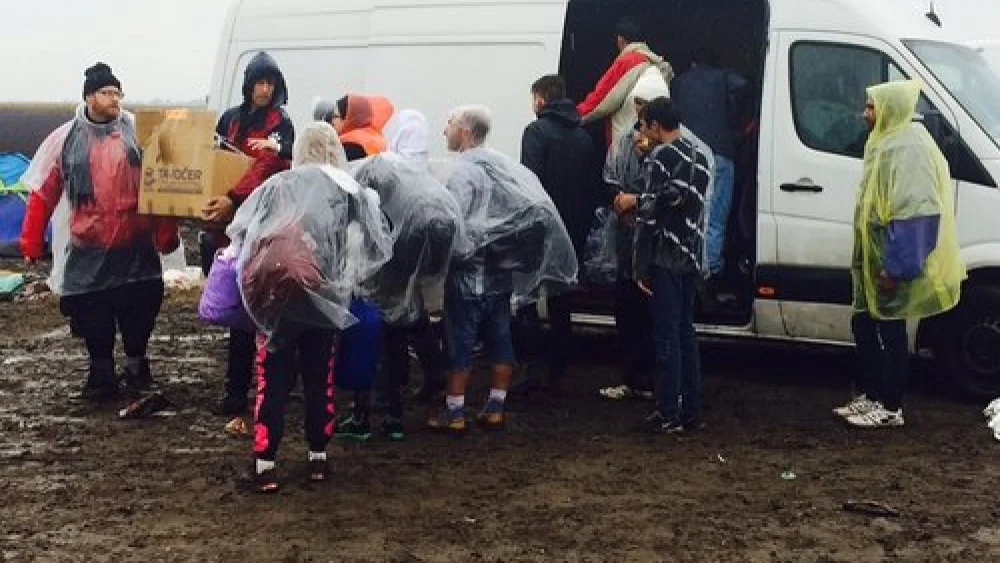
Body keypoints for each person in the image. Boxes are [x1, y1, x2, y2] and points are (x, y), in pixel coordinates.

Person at [227, 122, 393, 492]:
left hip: (278, 297)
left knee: (273, 379)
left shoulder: (278, 185)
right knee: (320, 378)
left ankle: (265, 463)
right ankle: (318, 457)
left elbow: (241, 230)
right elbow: (376, 240)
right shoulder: (348, 189)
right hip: (325, 297)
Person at [20, 62, 179, 401]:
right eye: (107, 93)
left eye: (118, 93)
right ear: (90, 96)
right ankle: (101, 371)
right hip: (88, 249)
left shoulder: (139, 134)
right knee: (93, 316)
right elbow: (43, 193)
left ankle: (137, 366)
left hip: (136, 247)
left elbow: (163, 183)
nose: (115, 99)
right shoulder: (66, 140)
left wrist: (166, 235)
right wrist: (31, 241)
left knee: (140, 312)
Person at [427, 105, 578, 434]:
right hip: (500, 272)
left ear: (465, 131)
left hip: (468, 274)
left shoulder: (461, 172)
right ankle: (495, 407)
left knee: (460, 341)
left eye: (449, 124)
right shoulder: (504, 166)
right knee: (500, 339)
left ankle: (454, 412)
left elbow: (454, 220)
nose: (444, 131)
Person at [834, 80, 965, 429]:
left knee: (888, 330)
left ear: (890, 108)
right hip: (873, 257)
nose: (864, 114)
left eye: (871, 107)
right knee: (865, 324)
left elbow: (916, 211)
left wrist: (897, 267)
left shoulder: (909, 147)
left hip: (888, 257)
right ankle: (872, 393)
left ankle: (890, 406)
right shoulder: (886, 139)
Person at [598, 71, 715, 402]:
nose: (638, 113)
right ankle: (642, 382)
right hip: (639, 242)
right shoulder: (628, 141)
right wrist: (618, 201)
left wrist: (636, 199)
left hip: (662, 250)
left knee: (666, 327)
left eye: (644, 106)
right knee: (632, 315)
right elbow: (609, 180)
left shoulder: (681, 150)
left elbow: (671, 199)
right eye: (636, 103)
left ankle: (668, 397)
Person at [353, 109, 463, 440]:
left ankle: (384, 403)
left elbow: (371, 218)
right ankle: (429, 376)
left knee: (388, 334)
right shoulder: (420, 175)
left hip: (395, 258)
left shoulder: (382, 169)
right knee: (410, 320)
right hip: (417, 256)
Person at [200, 52, 295, 417]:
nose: (265, 90)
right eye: (259, 82)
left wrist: (234, 197)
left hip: (264, 224)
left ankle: (273, 388)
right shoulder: (231, 120)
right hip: (228, 227)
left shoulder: (280, 125)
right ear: (248, 84)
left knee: (268, 310)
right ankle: (236, 389)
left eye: (270, 83)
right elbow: (212, 159)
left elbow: (269, 165)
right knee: (238, 313)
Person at [627, 97, 712, 433]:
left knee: (666, 336)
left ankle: (667, 412)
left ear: (655, 125)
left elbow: (649, 214)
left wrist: (639, 266)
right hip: (691, 255)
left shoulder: (661, 157)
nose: (642, 132)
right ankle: (691, 409)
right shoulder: (700, 157)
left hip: (665, 256)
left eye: (644, 125)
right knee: (685, 332)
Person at [514, 74, 597, 393]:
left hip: (542, 225)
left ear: (540, 99)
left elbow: (530, 182)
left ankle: (532, 363)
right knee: (561, 297)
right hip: (573, 226)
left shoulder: (535, 132)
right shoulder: (583, 136)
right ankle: (560, 363)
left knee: (527, 295)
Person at [670, 48, 748, 298]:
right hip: (720, 153)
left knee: (688, 216)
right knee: (715, 219)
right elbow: (742, 84)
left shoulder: (679, 83)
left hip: (688, 157)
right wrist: (733, 116)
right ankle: (710, 275)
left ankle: (687, 270)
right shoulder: (724, 77)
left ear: (693, 63)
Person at [577, 16, 673, 147]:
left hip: (628, 140)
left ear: (620, 39)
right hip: (652, 136)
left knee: (630, 157)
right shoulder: (653, 62)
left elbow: (602, 96)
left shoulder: (629, 61)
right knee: (646, 155)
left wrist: (573, 115)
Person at [316, 95, 395, 161]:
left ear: (348, 119)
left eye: (334, 116)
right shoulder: (377, 137)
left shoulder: (348, 146)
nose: (332, 120)